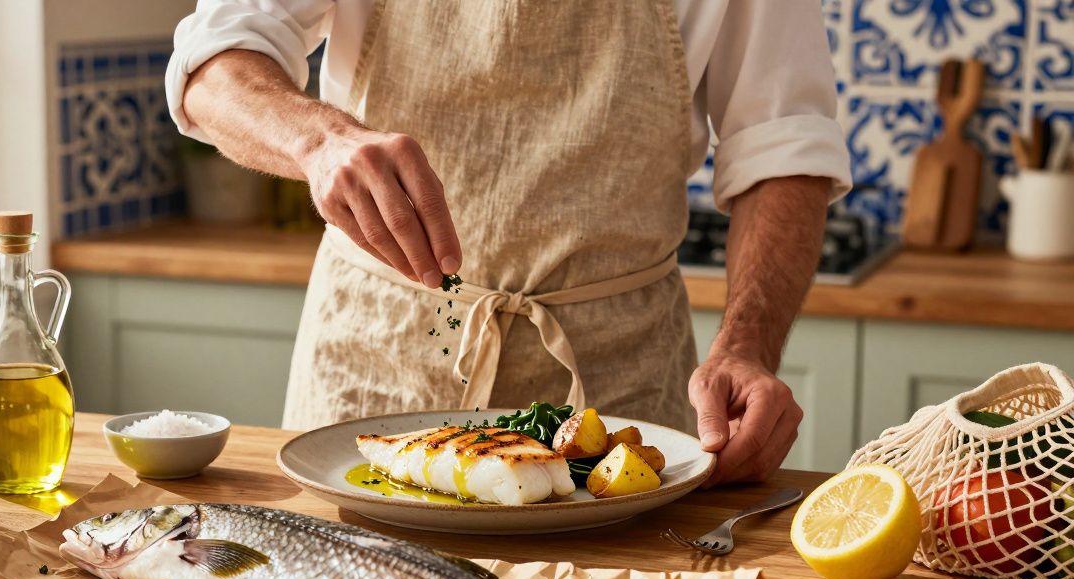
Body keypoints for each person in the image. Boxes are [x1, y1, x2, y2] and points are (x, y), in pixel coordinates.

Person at [165, 1, 852, 485]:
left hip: (621, 392)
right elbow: (214, 63)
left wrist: (746, 348)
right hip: (377, 370)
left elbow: (783, 144)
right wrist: (318, 141)